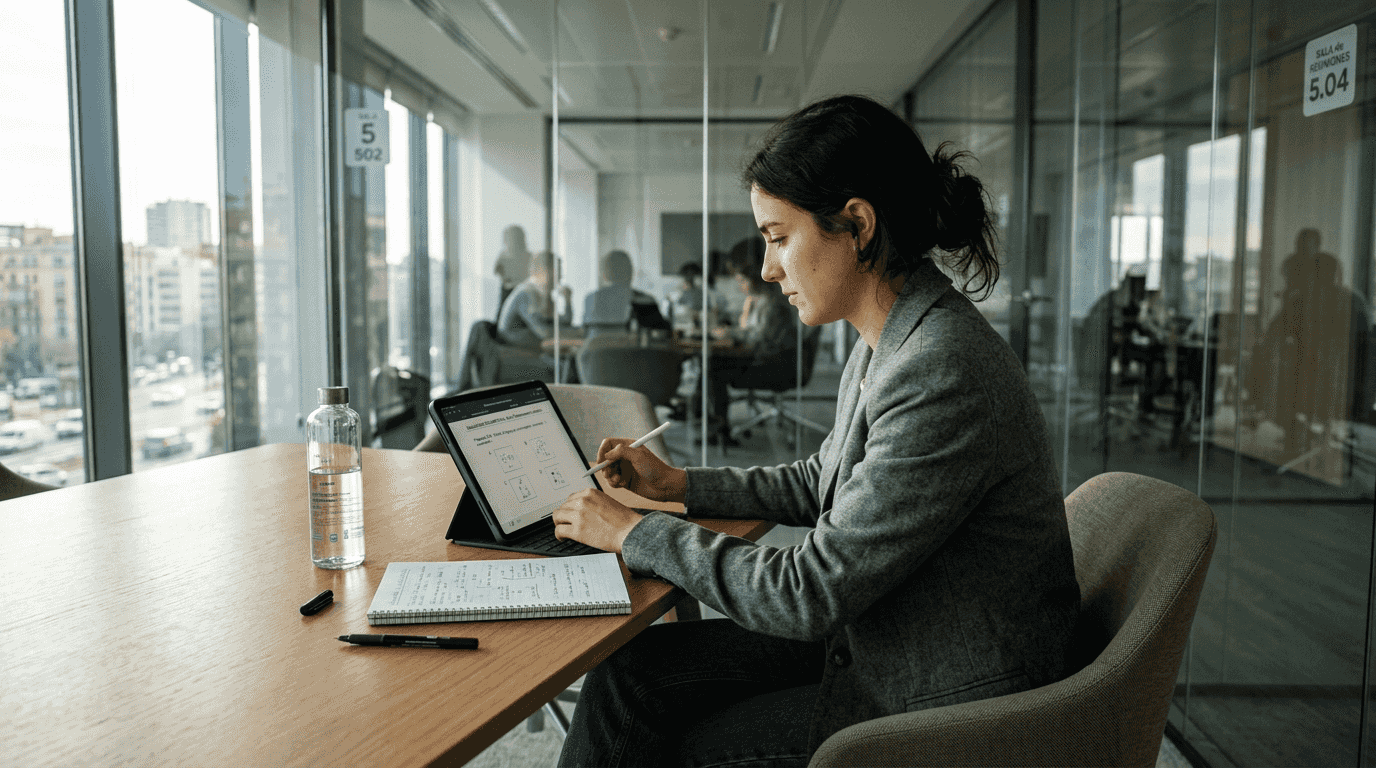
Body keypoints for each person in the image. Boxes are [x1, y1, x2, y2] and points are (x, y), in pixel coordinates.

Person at [549, 94, 1080, 768]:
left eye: (778, 237)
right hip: (886, 631)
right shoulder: (892, 334)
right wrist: (680, 483)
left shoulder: (939, 367)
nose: (767, 268)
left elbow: (807, 592)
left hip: (941, 693)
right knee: (632, 674)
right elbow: (821, 480)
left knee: (681, 746)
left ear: (856, 225)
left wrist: (634, 532)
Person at [701, 236, 799, 443]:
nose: (739, 286)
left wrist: (730, 334)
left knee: (713, 369)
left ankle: (718, 428)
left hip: (776, 367)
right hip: (768, 360)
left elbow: (758, 340)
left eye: (741, 281)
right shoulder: (760, 300)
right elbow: (753, 332)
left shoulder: (772, 304)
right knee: (712, 365)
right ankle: (713, 424)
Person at [582, 249, 670, 337]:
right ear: (630, 271)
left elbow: (585, 331)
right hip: (627, 346)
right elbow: (663, 332)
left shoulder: (590, 298)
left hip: (595, 346)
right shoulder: (643, 300)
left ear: (605, 273)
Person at [495, 249, 572, 349]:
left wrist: (567, 301)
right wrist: (572, 333)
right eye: (557, 272)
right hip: (513, 346)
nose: (560, 278)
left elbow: (564, 322)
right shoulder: (526, 293)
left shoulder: (543, 294)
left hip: (530, 341)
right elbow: (543, 332)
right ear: (541, 271)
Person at [492, 224, 531, 311]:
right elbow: (497, 271)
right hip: (511, 290)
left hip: (522, 291)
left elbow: (496, 271)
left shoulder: (528, 256)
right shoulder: (504, 256)